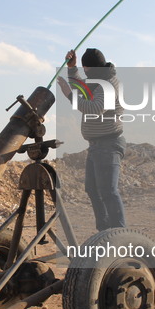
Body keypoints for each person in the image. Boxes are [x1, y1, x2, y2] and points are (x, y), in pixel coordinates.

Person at [57, 48, 127, 231]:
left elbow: (95, 108)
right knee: (93, 189)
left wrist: (67, 93)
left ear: (93, 67)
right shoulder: (99, 81)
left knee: (108, 192)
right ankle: (105, 233)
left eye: (85, 69)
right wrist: (72, 69)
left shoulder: (109, 85)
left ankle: (119, 236)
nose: (85, 72)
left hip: (109, 145)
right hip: (96, 146)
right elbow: (82, 88)